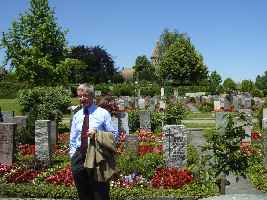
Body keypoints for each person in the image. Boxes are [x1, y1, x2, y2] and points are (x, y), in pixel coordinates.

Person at [70, 83, 118, 200]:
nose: (82, 99)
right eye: (80, 96)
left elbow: (114, 136)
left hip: (98, 157)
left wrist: (97, 134)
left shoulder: (103, 113)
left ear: (92, 96)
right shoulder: (77, 115)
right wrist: (72, 156)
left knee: (100, 193)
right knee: (83, 193)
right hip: (79, 157)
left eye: (85, 96)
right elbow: (73, 138)